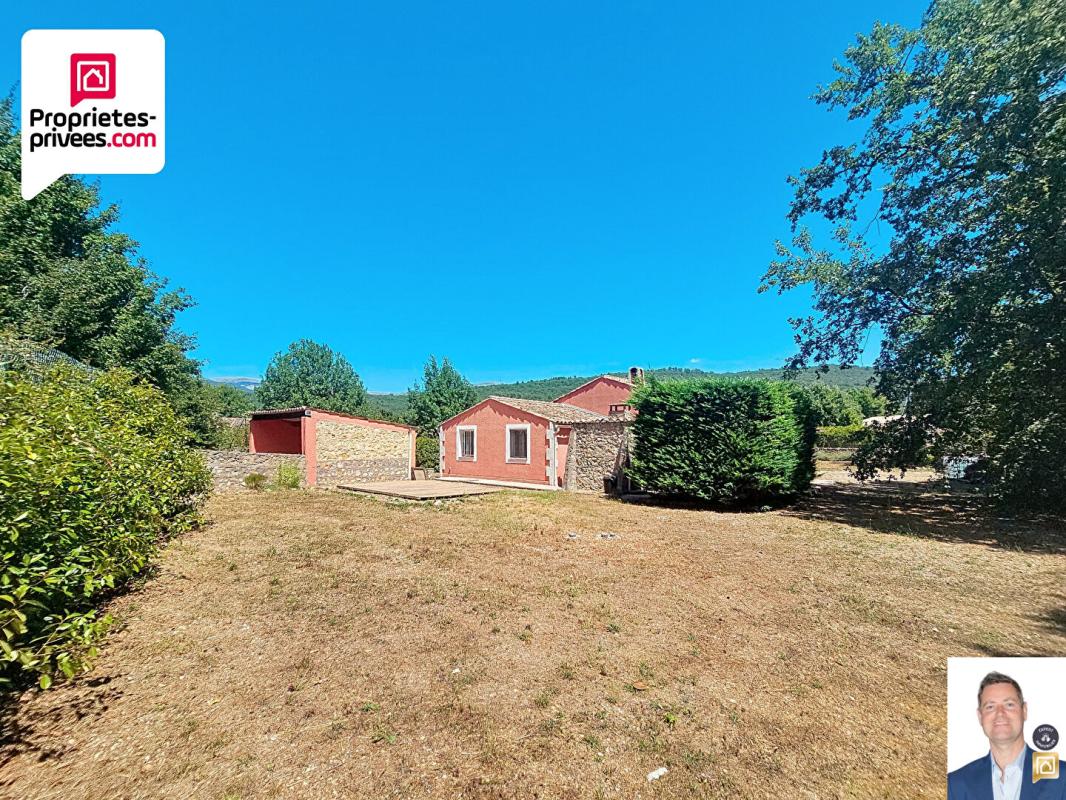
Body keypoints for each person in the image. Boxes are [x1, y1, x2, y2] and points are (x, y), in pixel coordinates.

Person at [948, 671, 1064, 799]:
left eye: (1009, 705)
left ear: (1024, 711)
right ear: (980, 717)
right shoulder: (955, 783)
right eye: (990, 707)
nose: (1000, 713)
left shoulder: (1061, 775)